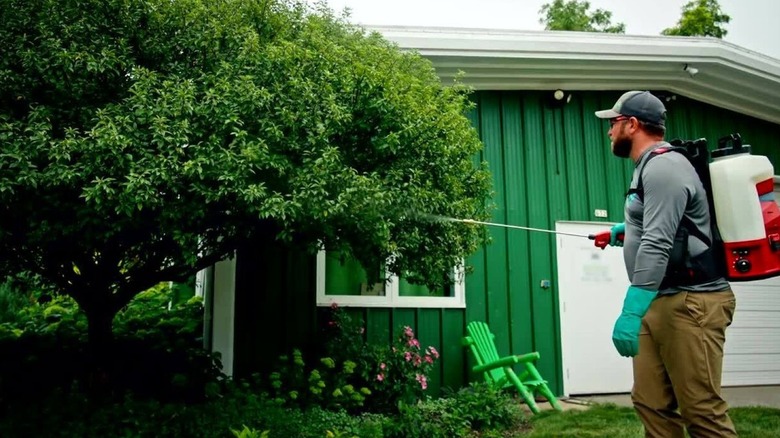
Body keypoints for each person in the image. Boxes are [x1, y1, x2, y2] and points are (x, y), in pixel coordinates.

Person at [595, 91, 738, 438]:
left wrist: (631, 310)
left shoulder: (664, 166)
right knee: (651, 404)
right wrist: (624, 231)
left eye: (613, 123)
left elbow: (658, 243)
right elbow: (659, 224)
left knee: (701, 410)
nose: (610, 131)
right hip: (660, 300)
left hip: (691, 303)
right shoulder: (647, 167)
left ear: (632, 124)